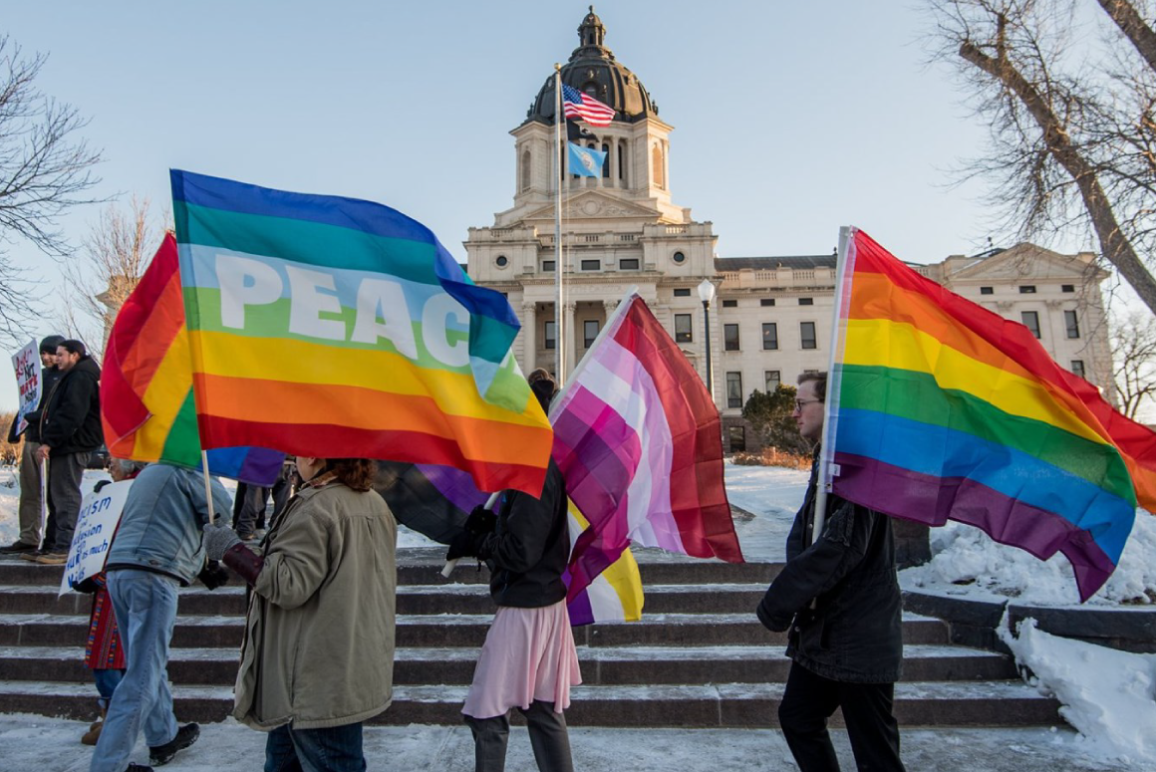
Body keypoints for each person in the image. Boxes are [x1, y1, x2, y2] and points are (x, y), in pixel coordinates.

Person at [203, 456, 398, 772]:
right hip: (340, 664)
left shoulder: (316, 506)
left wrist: (231, 550)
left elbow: (288, 585)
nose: (293, 462)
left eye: (297, 454)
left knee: (330, 763)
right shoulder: (374, 502)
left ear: (314, 456)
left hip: (312, 675)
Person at [756, 372, 905, 772]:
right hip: (826, 633)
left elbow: (840, 547)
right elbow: (809, 534)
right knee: (799, 717)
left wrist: (780, 598)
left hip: (858, 636)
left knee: (875, 752)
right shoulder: (829, 460)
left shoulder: (854, 464)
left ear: (830, 408)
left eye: (802, 403)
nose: (794, 412)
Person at [446, 369, 580, 772]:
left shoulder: (533, 472)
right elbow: (522, 535)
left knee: (487, 713)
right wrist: (492, 526)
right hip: (540, 602)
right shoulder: (529, 469)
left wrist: (480, 543)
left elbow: (521, 551)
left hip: (527, 606)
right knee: (541, 708)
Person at [90, 461, 233, 772]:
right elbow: (219, 514)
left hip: (122, 571)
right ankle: (108, 765)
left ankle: (163, 735)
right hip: (153, 575)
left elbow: (162, 523)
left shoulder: (152, 471)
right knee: (142, 676)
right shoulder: (190, 469)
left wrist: (200, 567)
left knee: (145, 663)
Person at [77, 458, 147, 746]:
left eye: (113, 460)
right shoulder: (125, 490)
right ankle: (113, 713)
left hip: (119, 581)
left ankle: (116, 719)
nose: (108, 466)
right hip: (114, 581)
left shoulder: (133, 493)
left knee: (108, 653)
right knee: (114, 654)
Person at [36, 339, 104, 565]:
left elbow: (71, 413)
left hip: (73, 444)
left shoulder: (80, 377)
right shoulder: (72, 377)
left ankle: (65, 546)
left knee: (65, 493)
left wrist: (50, 441)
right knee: (57, 495)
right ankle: (54, 544)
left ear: (74, 355)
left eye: (61, 355)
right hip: (66, 443)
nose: (57, 359)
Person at [1, 334, 65, 555]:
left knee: (53, 494)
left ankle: (54, 539)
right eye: (43, 354)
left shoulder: (66, 379)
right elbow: (26, 403)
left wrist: (38, 418)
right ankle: (28, 536)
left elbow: (58, 411)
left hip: (51, 443)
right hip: (31, 439)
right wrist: (15, 430)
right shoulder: (39, 377)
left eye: (50, 353)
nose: (46, 357)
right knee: (29, 491)